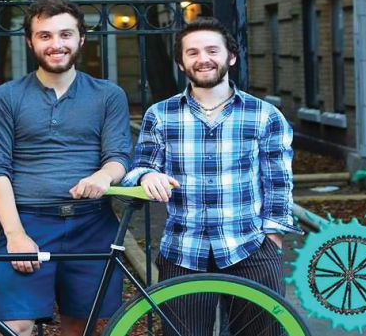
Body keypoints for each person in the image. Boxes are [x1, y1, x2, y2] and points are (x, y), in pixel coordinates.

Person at [123, 17, 302, 335]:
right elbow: (139, 167)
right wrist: (144, 176)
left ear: (230, 56)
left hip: (249, 247)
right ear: (181, 63)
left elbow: (278, 181)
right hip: (183, 250)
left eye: (211, 50)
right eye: (192, 53)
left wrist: (272, 237)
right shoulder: (161, 115)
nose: (202, 59)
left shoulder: (264, 115)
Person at [0, 0, 131, 336]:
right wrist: (15, 234)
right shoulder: (6, 97)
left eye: (65, 34)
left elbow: (119, 156)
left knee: (79, 327)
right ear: (30, 42)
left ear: (81, 39)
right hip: (29, 221)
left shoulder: (108, 95)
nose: (56, 44)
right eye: (45, 36)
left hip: (91, 224)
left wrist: (103, 176)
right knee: (14, 327)